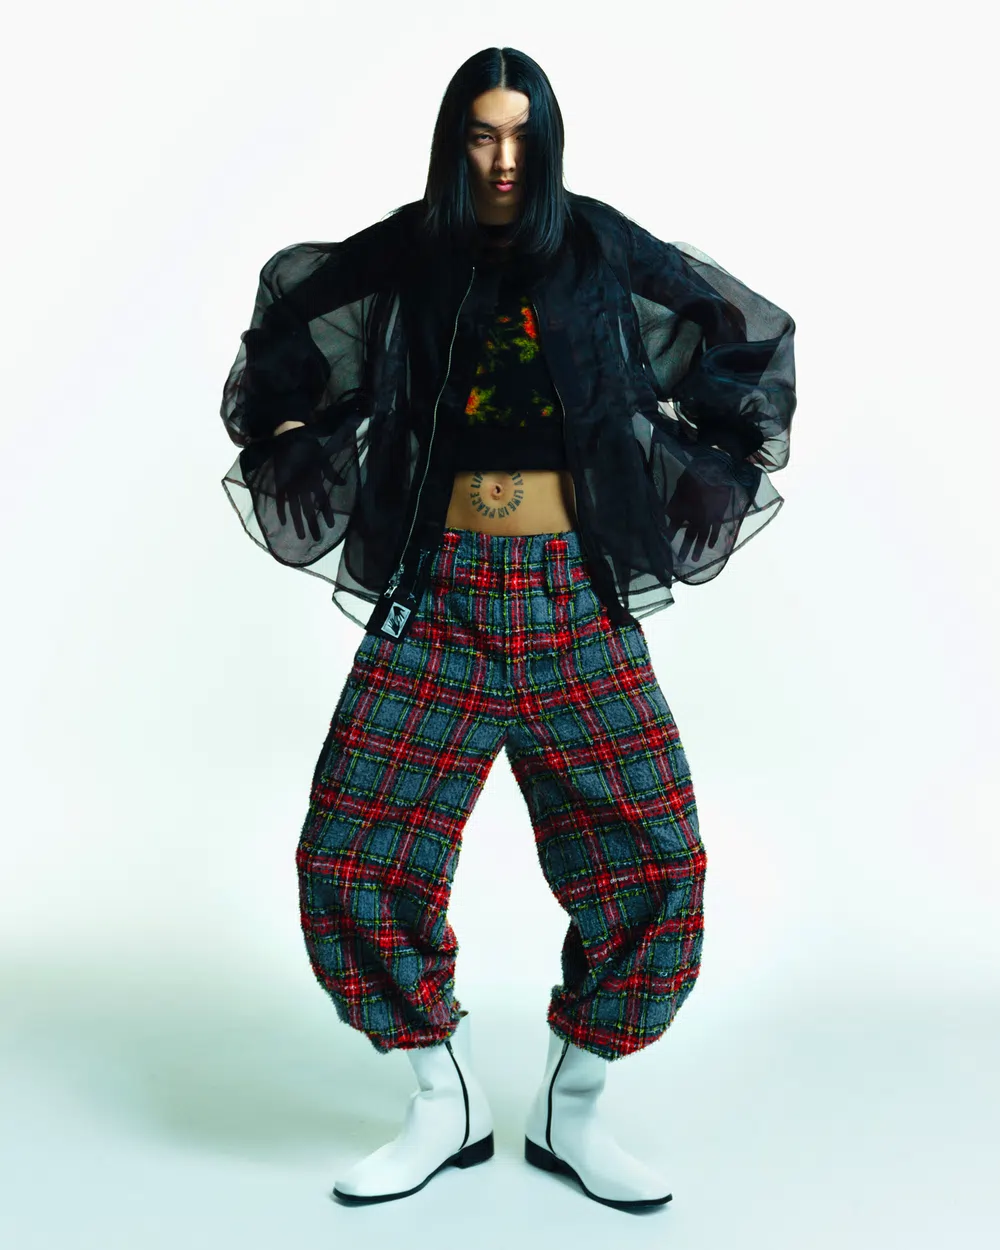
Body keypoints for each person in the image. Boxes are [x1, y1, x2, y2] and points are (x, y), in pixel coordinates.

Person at [219, 47, 796, 1213]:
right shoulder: (413, 248)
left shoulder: (596, 243)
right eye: (481, 134)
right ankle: (445, 1100)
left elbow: (733, 325)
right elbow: (292, 311)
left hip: (572, 598)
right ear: (454, 142)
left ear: (548, 140)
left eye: (520, 135)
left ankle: (571, 1107)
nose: (501, 158)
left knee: (654, 859)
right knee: (352, 853)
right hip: (435, 600)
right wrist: (287, 433)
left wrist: (713, 457)